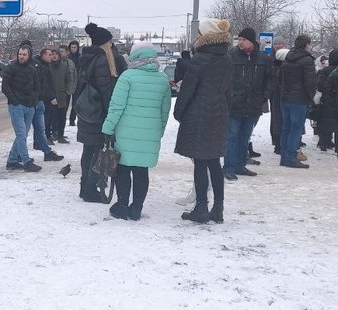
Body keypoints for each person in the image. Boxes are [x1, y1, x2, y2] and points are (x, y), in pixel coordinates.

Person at [100, 42, 172, 221]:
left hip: (126, 133)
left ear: (134, 56)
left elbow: (116, 107)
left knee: (123, 169)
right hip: (150, 133)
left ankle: (122, 206)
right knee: (141, 171)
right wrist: (159, 131)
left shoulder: (127, 77)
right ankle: (136, 208)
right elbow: (164, 111)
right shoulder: (162, 79)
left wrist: (107, 128)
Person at [174, 18, 233, 224]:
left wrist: (179, 112)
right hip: (219, 113)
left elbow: (188, 89)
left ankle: (201, 207)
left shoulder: (200, 59)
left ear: (205, 35)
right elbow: (229, 91)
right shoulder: (227, 58)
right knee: (214, 162)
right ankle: (218, 208)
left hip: (199, 114)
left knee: (200, 162)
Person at [78, 23, 127, 203]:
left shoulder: (86, 57)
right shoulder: (102, 61)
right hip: (98, 113)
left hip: (86, 111)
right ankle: (90, 190)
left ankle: (84, 187)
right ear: (105, 44)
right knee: (97, 151)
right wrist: (110, 117)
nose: (112, 45)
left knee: (88, 150)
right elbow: (105, 91)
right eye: (110, 42)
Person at [223, 27, 272, 180]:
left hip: (253, 104)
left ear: (251, 41)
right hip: (234, 104)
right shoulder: (231, 56)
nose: (240, 42)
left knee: (245, 136)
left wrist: (265, 95)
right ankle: (229, 167)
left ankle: (240, 165)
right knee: (232, 136)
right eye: (239, 39)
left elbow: (270, 79)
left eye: (243, 39)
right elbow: (224, 79)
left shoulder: (263, 58)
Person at [1, 44, 42, 172]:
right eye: (20, 54)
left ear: (29, 55)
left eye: (24, 54)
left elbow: (37, 87)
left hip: (29, 105)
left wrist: (34, 101)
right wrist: (14, 101)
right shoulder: (11, 68)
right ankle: (26, 161)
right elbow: (5, 87)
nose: (21, 57)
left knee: (23, 134)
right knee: (21, 134)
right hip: (16, 106)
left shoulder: (33, 70)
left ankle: (12, 160)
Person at [279, 35, 317, 168]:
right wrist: (311, 97)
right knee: (296, 129)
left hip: (285, 98)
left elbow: (280, 78)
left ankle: (284, 156)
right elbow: (310, 82)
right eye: (310, 44)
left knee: (286, 128)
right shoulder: (307, 60)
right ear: (306, 45)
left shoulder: (286, 58)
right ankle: (291, 157)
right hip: (299, 99)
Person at [31, 46, 64, 161]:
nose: (51, 56)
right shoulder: (41, 67)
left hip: (41, 99)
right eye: (49, 54)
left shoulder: (44, 65)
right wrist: (51, 97)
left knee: (40, 127)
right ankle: (16, 156)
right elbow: (44, 84)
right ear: (43, 55)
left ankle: (45, 150)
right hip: (41, 99)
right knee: (38, 126)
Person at [315, 48, 338, 151]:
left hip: (326, 99)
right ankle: (329, 140)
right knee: (335, 121)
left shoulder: (325, 71)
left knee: (325, 120)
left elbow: (320, 84)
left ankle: (324, 140)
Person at [48, 46, 72, 143]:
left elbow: (68, 79)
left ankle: (61, 135)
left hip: (62, 95)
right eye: (52, 54)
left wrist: (66, 91)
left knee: (62, 116)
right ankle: (54, 133)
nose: (54, 56)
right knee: (53, 116)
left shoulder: (64, 66)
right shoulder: (48, 66)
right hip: (51, 96)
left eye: (56, 54)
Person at [58, 45, 77, 140]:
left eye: (62, 51)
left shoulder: (70, 63)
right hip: (58, 91)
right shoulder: (56, 62)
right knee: (57, 113)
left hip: (67, 92)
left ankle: (61, 132)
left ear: (67, 52)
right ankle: (56, 131)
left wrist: (71, 89)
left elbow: (74, 77)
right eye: (59, 51)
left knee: (64, 113)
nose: (60, 53)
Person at [67, 40, 82, 126]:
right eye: (72, 47)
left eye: (75, 47)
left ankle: (72, 119)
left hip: (77, 83)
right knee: (66, 103)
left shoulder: (80, 58)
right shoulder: (67, 58)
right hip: (68, 82)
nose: (73, 49)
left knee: (75, 103)